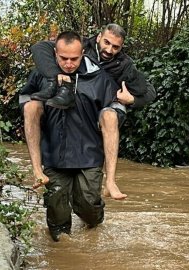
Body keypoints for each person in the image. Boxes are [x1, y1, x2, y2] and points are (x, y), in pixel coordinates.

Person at [28, 23, 156, 200]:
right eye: (106, 42)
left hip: (108, 104)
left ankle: (110, 181)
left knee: (110, 116)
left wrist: (132, 100)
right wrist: (55, 75)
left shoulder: (125, 65)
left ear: (122, 47)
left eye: (115, 47)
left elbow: (149, 92)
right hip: (83, 102)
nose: (109, 50)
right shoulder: (82, 47)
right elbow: (40, 48)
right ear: (98, 38)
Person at [20, 31, 118, 241]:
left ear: (82, 53)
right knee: (58, 220)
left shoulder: (98, 76)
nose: (69, 64)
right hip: (54, 155)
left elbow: (113, 113)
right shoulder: (41, 75)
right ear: (55, 53)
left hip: (89, 155)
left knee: (89, 208)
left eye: (74, 58)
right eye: (63, 58)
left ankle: (94, 223)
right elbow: (26, 100)